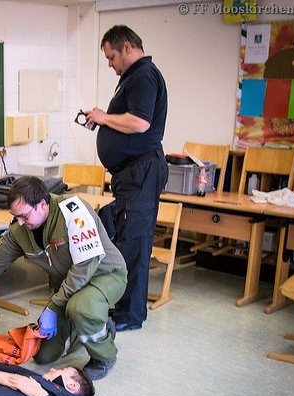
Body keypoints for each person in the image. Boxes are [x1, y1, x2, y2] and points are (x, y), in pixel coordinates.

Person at [0, 176, 127, 380]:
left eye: (24, 216)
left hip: (103, 276)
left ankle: (104, 355)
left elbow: (84, 268)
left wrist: (53, 307)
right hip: (67, 288)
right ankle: (96, 325)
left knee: (82, 307)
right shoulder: (21, 228)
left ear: (43, 204)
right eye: (15, 216)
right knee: (44, 355)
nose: (19, 222)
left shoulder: (74, 211)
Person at [85, 25, 168, 332]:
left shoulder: (144, 76)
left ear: (128, 48)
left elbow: (140, 122)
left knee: (134, 243)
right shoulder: (133, 77)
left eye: (111, 57)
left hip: (141, 171)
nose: (109, 64)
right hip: (131, 173)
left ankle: (130, 316)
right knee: (124, 240)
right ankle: (122, 309)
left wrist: (104, 117)